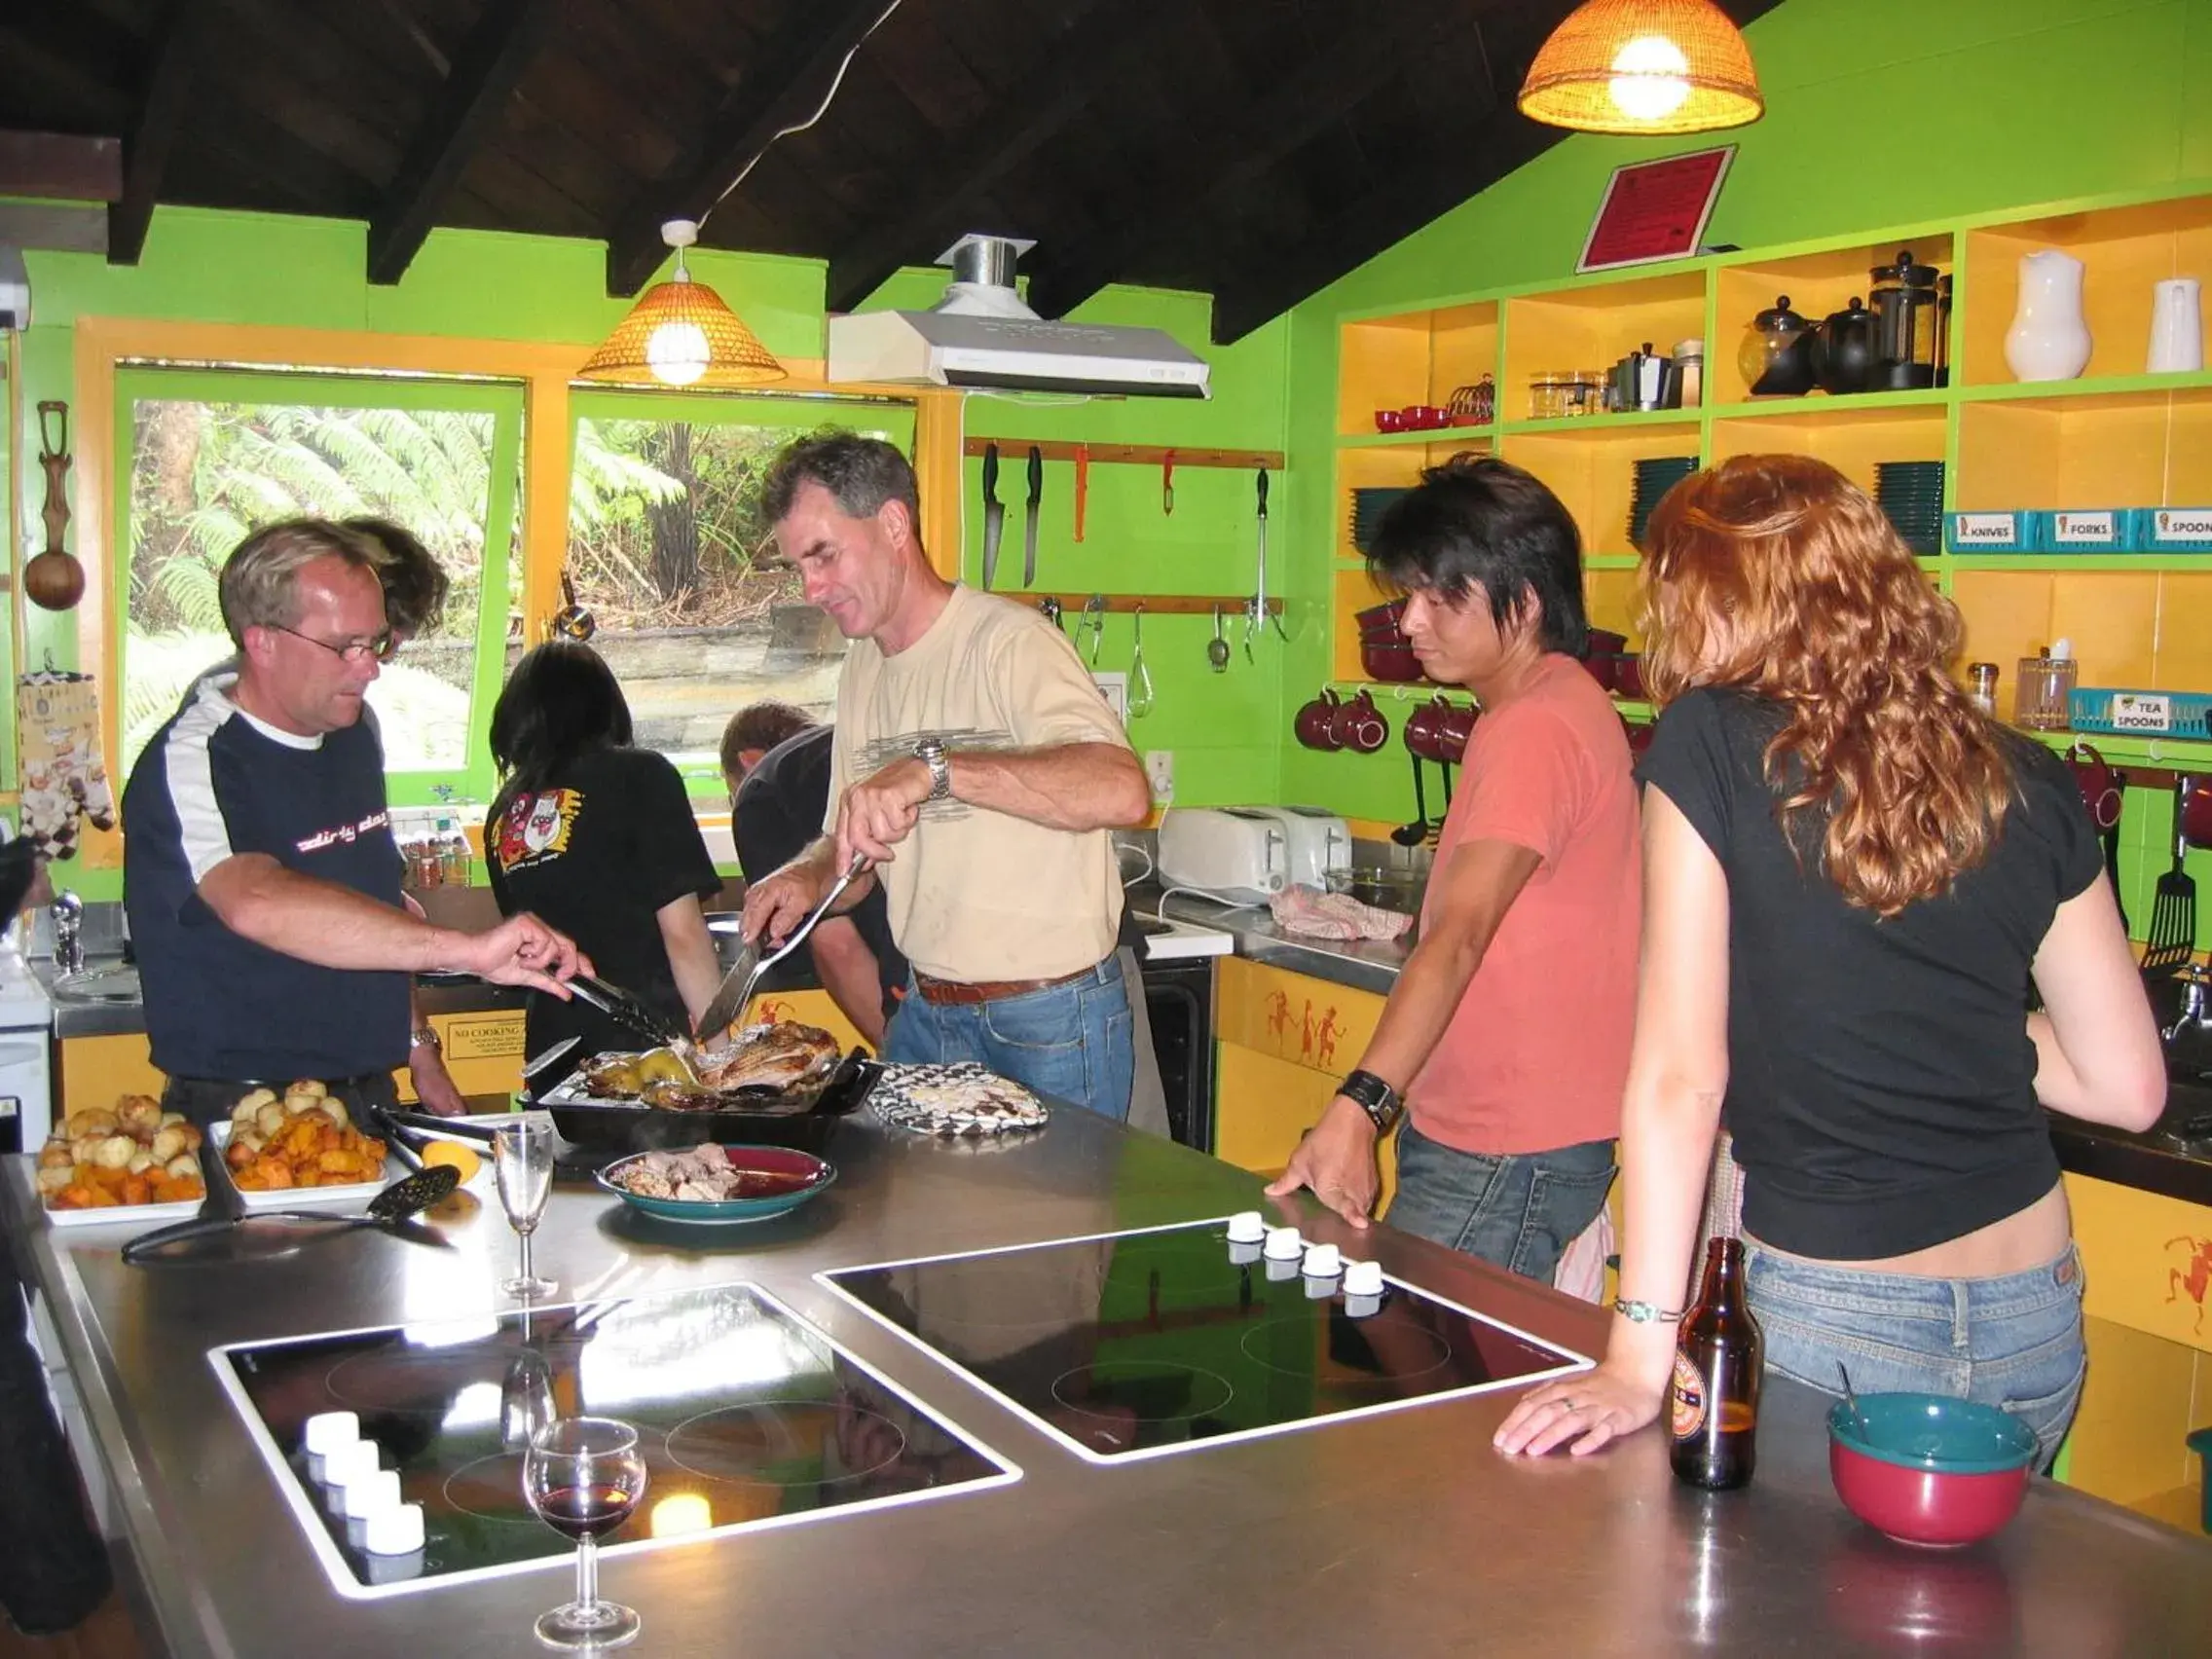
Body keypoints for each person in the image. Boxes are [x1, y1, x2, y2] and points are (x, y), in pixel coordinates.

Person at [1495, 456, 2166, 1471]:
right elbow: (2122, 1087)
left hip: (1838, 1311)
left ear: (1716, 602)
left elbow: (1681, 1076)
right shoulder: (2023, 771)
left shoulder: (1710, 740)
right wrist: (1946, 1014)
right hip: (2034, 1310)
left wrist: (1638, 1351)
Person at [1265, 457, 1639, 1284]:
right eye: (1408, 596)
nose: (1409, 622)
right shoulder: (1556, 703)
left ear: (1526, 601)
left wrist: (1360, 1107)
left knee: (1424, 1386)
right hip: (1518, 1132)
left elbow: (1462, 937)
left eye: (1440, 598)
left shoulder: (1532, 729)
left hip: (1503, 1144)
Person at [741, 431, 1150, 1119]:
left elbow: (1123, 789)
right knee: (916, 1226)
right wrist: (807, 877)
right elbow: (851, 852)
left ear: (894, 524)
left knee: (1056, 1230)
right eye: (797, 568)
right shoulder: (863, 669)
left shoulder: (1008, 643)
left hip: (1050, 1015)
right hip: (929, 1012)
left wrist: (935, 770)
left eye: (824, 555)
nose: (811, 588)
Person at [124, 519, 586, 1125]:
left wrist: (420, 1048)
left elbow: (373, 900)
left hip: (368, 1093)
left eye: (379, 644)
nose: (369, 669)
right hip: (250, 1109)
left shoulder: (353, 732)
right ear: (262, 642)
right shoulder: (196, 757)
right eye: (346, 647)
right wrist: (468, 950)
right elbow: (255, 899)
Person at [484, 642, 722, 1057]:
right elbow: (683, 933)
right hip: (643, 1050)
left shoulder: (504, 814)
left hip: (551, 1056)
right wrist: (724, 1055)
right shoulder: (641, 776)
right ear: (604, 706)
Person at [725, 705, 906, 1049]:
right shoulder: (853, 744)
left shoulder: (761, 794)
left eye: (728, 789)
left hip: (917, 982)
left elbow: (836, 945)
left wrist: (903, 1057)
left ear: (748, 760)